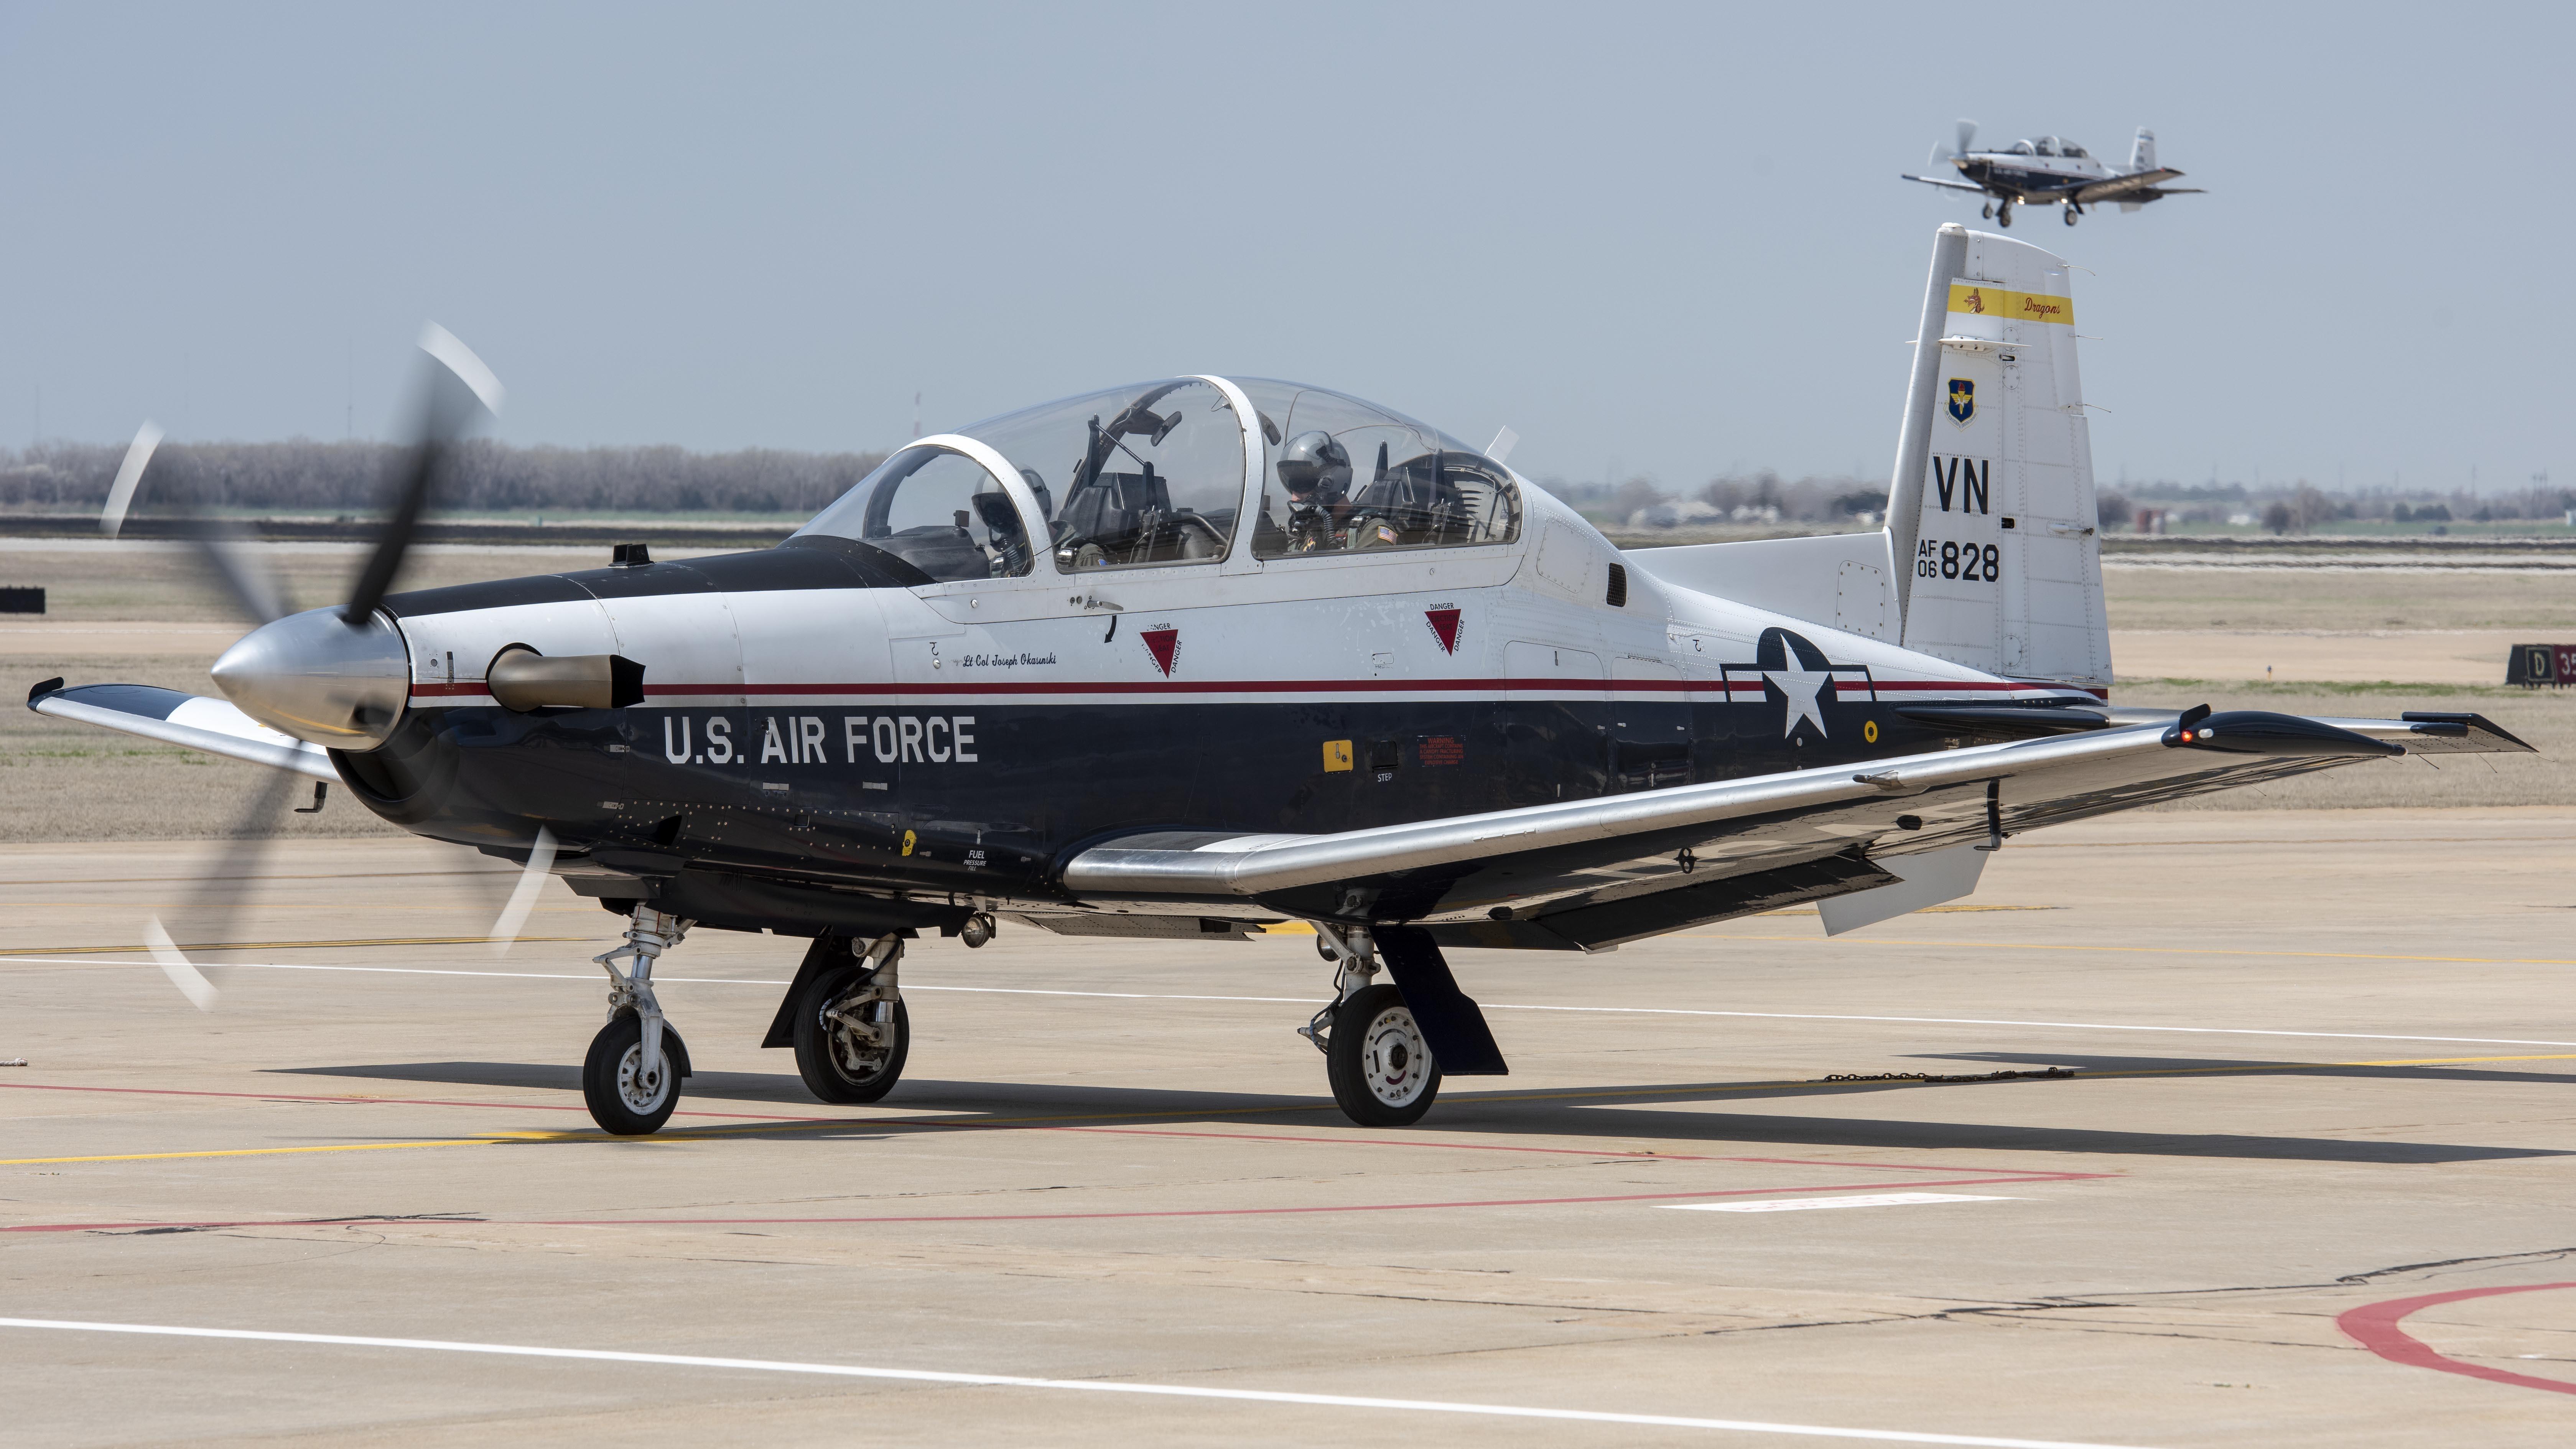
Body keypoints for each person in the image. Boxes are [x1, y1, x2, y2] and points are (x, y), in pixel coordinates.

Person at [1273, 431, 1353, 552]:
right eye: (1292, 485)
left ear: (1330, 483)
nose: (1294, 498)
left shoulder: (1368, 532)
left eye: (1301, 484)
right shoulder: (1308, 534)